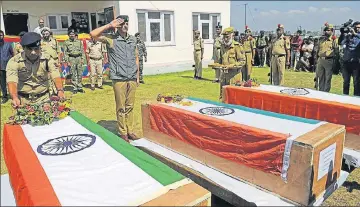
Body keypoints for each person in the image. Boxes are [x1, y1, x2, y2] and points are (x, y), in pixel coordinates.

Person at [90, 15, 140, 142]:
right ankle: (123, 132)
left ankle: (130, 130)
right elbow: (93, 34)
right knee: (121, 107)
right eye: (121, 24)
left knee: (130, 106)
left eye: (126, 23)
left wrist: (137, 77)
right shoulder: (111, 39)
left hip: (132, 78)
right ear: (117, 26)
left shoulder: (133, 40)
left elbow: (136, 58)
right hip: (119, 78)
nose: (125, 26)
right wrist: (109, 25)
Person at [6, 32, 65, 106]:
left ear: (40, 47)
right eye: (29, 49)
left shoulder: (47, 59)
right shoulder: (14, 61)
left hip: (44, 99)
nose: (33, 52)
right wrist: (14, 97)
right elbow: (12, 80)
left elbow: (55, 74)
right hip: (23, 100)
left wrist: (60, 90)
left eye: (36, 49)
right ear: (23, 48)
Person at [218, 27, 246, 99]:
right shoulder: (222, 47)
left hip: (234, 77)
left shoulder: (237, 46)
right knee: (224, 98)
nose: (225, 39)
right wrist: (219, 66)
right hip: (224, 77)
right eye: (224, 37)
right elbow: (221, 61)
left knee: (234, 99)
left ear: (232, 36)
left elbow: (242, 62)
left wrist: (230, 66)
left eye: (227, 37)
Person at [315, 23, 339, 92]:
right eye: (325, 30)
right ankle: (320, 92)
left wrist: (336, 63)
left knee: (328, 78)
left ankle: (326, 93)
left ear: (332, 31)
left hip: (329, 61)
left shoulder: (334, 40)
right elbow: (318, 50)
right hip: (320, 60)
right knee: (320, 77)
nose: (326, 32)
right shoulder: (321, 39)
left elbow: (336, 52)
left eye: (328, 30)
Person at [63, 29, 86, 94]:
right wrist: (67, 61)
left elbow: (82, 51)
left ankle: (80, 87)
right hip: (71, 58)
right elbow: (65, 53)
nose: (72, 35)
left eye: (73, 34)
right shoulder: (66, 42)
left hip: (78, 58)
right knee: (73, 73)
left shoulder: (79, 42)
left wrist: (82, 59)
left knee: (80, 73)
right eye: (70, 34)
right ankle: (74, 87)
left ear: (75, 35)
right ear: (68, 35)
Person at [341, 21, 360, 96]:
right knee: (346, 81)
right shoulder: (349, 35)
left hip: (355, 62)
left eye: (359, 27)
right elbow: (342, 43)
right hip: (346, 61)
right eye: (357, 27)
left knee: (356, 81)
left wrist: (355, 34)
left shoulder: (358, 36)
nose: (358, 29)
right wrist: (347, 36)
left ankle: (356, 97)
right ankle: (345, 96)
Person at [41, 27, 61, 96]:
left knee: (56, 76)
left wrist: (59, 62)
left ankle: (57, 91)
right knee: (48, 77)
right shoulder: (40, 42)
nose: (45, 35)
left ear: (49, 33)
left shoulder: (54, 41)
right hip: (45, 62)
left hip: (55, 61)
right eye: (44, 34)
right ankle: (50, 92)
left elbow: (59, 52)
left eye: (47, 33)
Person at [0, 30, 14, 104]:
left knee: (11, 82)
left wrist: (11, 64)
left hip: (8, 67)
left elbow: (12, 54)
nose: (0, 37)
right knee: (2, 83)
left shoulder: (8, 44)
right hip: (0, 68)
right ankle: (5, 97)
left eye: (1, 35)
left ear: (3, 36)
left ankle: (13, 95)